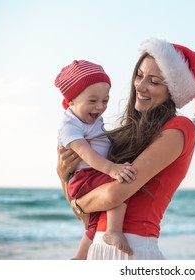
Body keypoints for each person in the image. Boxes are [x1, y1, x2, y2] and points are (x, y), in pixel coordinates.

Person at [57, 38, 195, 259]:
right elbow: (87, 208)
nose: (140, 86)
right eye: (139, 75)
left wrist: (78, 205)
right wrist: (64, 175)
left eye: (154, 81)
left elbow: (115, 194)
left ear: (172, 90)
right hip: (100, 246)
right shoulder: (124, 135)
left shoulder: (179, 128)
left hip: (133, 249)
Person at [55, 60, 136, 259]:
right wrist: (112, 169)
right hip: (84, 177)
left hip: (92, 174)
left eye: (105, 101)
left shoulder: (91, 119)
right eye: (92, 101)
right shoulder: (69, 126)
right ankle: (113, 231)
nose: (100, 107)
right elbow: (86, 154)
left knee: (93, 223)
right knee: (119, 185)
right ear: (72, 100)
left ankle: (80, 257)